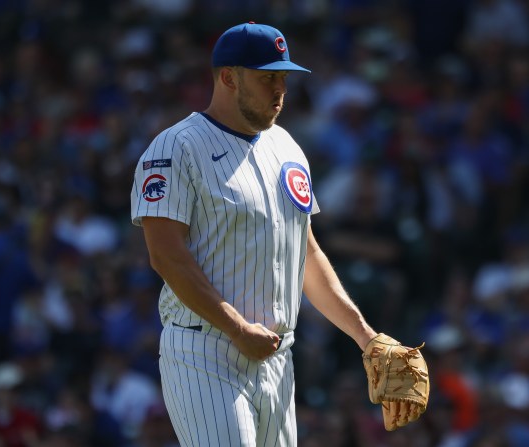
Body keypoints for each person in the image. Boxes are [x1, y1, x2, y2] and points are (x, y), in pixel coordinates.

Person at [130, 22, 379, 446]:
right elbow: (166, 256)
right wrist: (238, 328)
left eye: (283, 77)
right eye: (267, 78)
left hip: (277, 358)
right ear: (228, 77)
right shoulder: (176, 147)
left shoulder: (287, 147)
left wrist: (366, 337)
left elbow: (307, 255)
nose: (280, 88)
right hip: (204, 351)